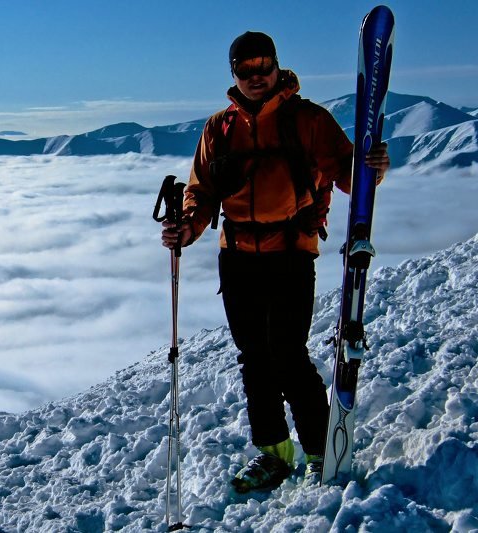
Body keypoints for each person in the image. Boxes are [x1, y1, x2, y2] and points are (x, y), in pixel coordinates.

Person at [161, 31, 390, 492]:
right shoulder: (218, 128)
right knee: (254, 359)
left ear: (276, 65)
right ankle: (274, 453)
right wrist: (187, 226)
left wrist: (372, 169)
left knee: (287, 355)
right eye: (245, 69)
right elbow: (201, 191)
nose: (256, 76)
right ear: (234, 75)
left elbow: (349, 174)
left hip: (290, 253)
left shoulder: (306, 120)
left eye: (263, 66)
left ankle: (318, 450)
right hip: (237, 255)